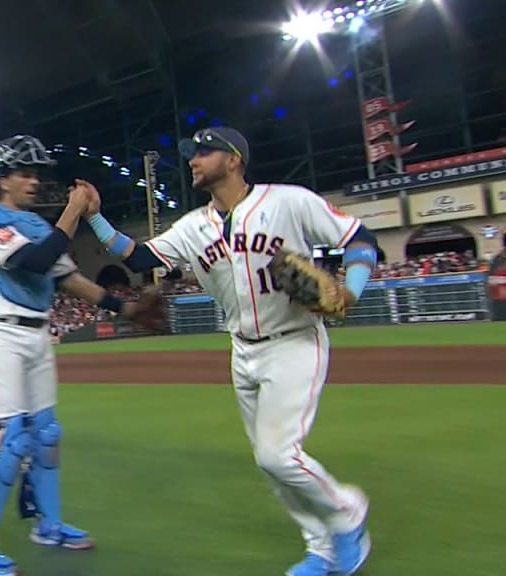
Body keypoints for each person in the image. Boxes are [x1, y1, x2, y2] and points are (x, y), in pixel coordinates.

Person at [79, 127, 378, 576]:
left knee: (278, 455)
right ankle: (320, 548)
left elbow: (360, 238)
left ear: (233, 159)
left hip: (294, 342)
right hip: (243, 351)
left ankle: (347, 513)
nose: (193, 161)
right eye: (192, 154)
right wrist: (95, 218)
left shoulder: (289, 201)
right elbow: (139, 257)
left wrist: (351, 292)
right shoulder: (194, 226)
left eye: (204, 152)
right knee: (271, 465)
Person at [0, 134, 161, 576]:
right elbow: (32, 263)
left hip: (37, 335)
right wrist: (75, 211)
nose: (33, 181)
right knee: (11, 441)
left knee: (46, 434)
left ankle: (48, 525)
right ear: (3, 179)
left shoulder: (42, 227)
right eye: (25, 173)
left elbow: (69, 279)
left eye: (37, 174)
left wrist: (126, 308)